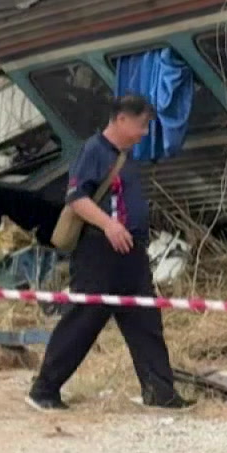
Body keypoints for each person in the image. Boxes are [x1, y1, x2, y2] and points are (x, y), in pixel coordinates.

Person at [28, 94, 187, 411]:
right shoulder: (94, 151)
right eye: (141, 125)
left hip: (132, 253)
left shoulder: (126, 156)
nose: (144, 133)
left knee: (145, 320)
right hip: (99, 252)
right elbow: (76, 197)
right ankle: (44, 389)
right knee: (83, 320)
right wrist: (109, 225)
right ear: (122, 119)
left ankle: (160, 393)